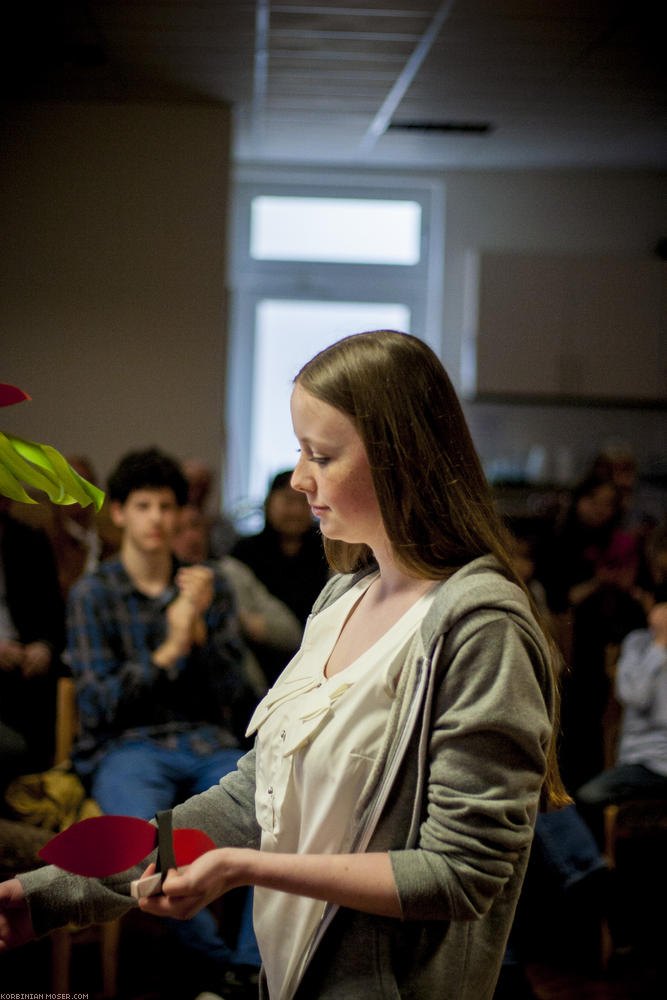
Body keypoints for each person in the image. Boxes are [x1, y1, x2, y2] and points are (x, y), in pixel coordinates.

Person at [2, 331, 566, 1000]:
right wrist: (49, 896)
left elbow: (458, 876)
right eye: (301, 452)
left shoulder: (480, 627)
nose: (299, 478)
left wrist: (250, 869)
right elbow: (253, 796)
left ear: (399, 460)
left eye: (320, 455)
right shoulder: (344, 592)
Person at [65, 448, 260, 993]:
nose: (155, 518)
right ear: (120, 513)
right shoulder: (94, 594)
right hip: (127, 749)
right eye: (143, 505)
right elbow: (98, 705)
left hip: (208, 744)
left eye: (166, 506)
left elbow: (238, 698)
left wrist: (197, 630)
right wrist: (168, 649)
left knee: (274, 811)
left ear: (180, 516)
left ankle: (249, 970)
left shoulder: (207, 586)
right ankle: (219, 969)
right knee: (147, 842)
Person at [173, 504, 303, 688]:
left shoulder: (231, 572)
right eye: (179, 530)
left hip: (244, 689)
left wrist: (241, 620)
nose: (191, 537)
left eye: (195, 526)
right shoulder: (161, 584)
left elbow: (291, 632)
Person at [0, 497, 65, 800]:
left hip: (27, 661)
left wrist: (45, 646)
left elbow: (54, 612)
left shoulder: (29, 539)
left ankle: (38, 797)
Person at [232, 470, 330, 626]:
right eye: (288, 501)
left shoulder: (327, 549)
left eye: (304, 501)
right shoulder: (245, 551)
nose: (296, 511)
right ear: (269, 502)